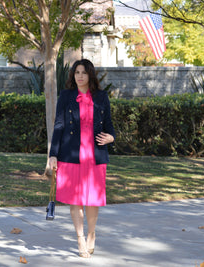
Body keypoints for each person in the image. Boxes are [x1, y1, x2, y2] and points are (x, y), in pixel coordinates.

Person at [49, 59, 115, 258]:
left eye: (84, 72)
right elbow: (59, 126)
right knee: (75, 200)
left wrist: (111, 138)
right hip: (70, 155)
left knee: (92, 200)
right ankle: (79, 238)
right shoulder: (66, 96)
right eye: (77, 72)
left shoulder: (102, 97)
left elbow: (109, 126)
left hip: (95, 155)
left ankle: (91, 234)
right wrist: (53, 154)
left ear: (90, 75)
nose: (80, 76)